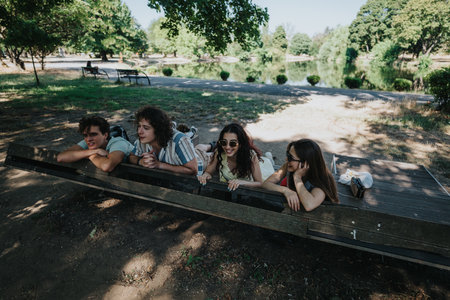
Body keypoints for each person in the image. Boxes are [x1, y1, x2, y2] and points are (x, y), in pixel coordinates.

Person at [128, 105, 210, 175]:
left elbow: (193, 169)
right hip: (187, 154)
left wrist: (159, 165)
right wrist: (140, 161)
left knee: (207, 154)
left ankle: (212, 146)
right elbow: (132, 156)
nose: (139, 131)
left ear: (158, 130)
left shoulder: (180, 141)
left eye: (146, 128)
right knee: (197, 149)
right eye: (139, 126)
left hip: (201, 160)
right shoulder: (143, 140)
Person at [262, 139, 338, 212]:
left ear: (305, 163)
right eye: (287, 155)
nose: (286, 159)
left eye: (290, 158)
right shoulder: (288, 166)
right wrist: (286, 191)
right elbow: (266, 184)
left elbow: (309, 205)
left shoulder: (320, 182)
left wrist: (297, 178)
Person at [197, 123, 274, 191]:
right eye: (224, 142)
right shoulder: (219, 153)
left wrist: (242, 183)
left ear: (240, 144)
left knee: (267, 165)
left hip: (259, 172)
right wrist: (205, 175)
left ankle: (269, 160)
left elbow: (259, 183)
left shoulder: (251, 156)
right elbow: (208, 172)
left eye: (232, 143)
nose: (227, 147)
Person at [57, 116, 134, 172]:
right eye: (85, 135)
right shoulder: (90, 142)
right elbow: (60, 157)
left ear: (105, 135)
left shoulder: (118, 143)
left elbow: (107, 166)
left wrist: (90, 155)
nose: (88, 139)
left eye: (93, 134)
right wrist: (94, 152)